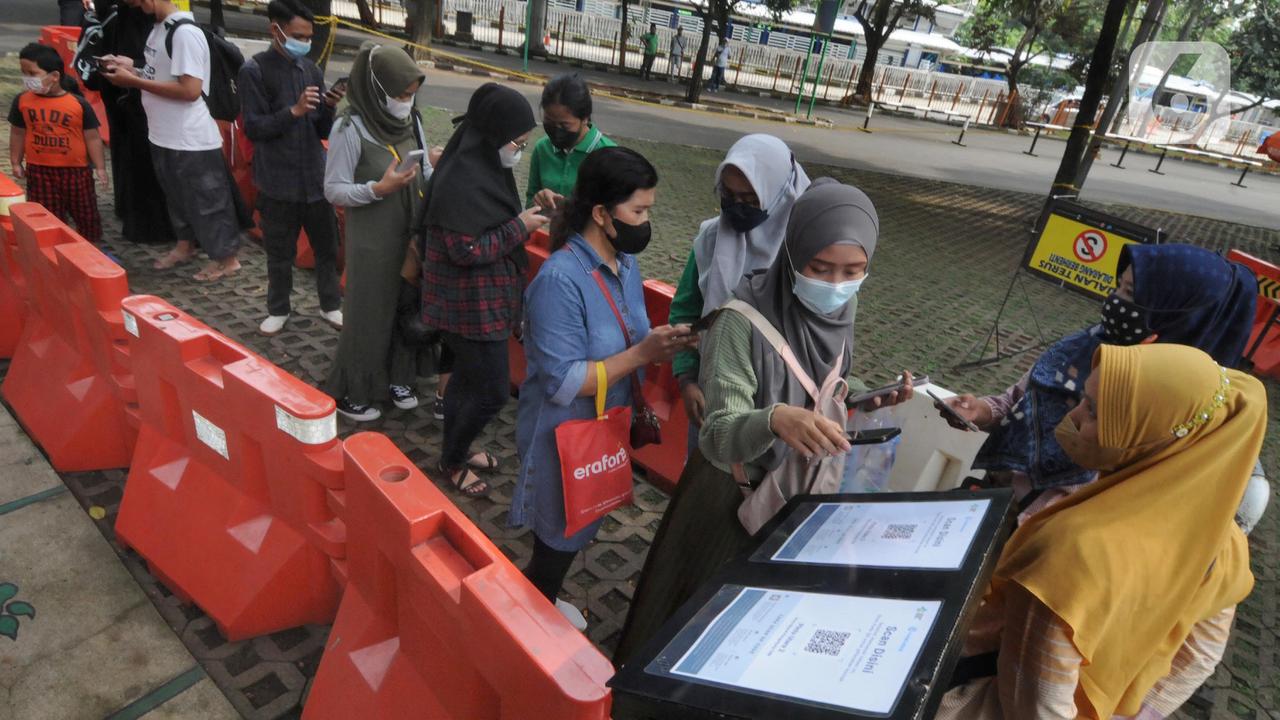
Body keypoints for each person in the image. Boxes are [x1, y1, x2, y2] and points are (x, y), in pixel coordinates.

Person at [615, 179, 913, 664]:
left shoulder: (842, 311)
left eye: (854, 271)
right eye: (820, 268)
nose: (837, 284)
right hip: (728, 500)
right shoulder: (740, 321)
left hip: (793, 496)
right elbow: (716, 436)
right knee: (685, 627)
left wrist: (865, 401)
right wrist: (773, 420)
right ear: (793, 253)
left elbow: (820, 391)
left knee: (748, 633)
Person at [938, 343, 1264, 720]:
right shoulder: (1223, 542)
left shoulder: (1074, 552)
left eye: (1093, 411)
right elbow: (1198, 659)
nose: (1073, 417)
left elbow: (1035, 703)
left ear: (1150, 436)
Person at [941, 244, 1264, 524]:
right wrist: (982, 410)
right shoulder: (1085, 344)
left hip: (1052, 537)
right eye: (1119, 287)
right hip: (997, 500)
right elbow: (1019, 400)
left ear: (1181, 315)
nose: (1114, 303)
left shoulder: (1183, 412)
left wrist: (1040, 526)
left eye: (1130, 295)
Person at [510, 147, 696, 631]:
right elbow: (562, 381)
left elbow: (630, 333)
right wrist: (641, 355)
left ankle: (538, 602)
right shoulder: (560, 280)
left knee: (580, 520)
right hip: (563, 431)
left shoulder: (625, 264)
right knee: (559, 528)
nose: (646, 221)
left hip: (603, 425)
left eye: (649, 210)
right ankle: (529, 618)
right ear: (600, 213)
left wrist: (662, 344)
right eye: (639, 211)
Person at [420, 83, 546, 498]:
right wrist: (519, 228)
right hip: (467, 307)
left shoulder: (485, 169)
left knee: (465, 384)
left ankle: (456, 449)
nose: (519, 150)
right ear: (493, 134)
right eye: (517, 142)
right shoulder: (461, 180)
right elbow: (466, 249)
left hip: (483, 301)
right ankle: (453, 460)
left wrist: (533, 210)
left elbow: (491, 220)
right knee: (492, 392)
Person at [669, 134, 810, 454]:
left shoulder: (805, 247)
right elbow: (686, 312)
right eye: (727, 195)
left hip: (787, 409)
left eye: (749, 199)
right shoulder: (711, 238)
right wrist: (687, 378)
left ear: (779, 193)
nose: (736, 208)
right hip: (716, 399)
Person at [323, 42, 433, 422]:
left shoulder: (411, 119)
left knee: (405, 302)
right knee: (369, 312)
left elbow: (423, 168)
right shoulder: (349, 126)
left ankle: (398, 378)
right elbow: (333, 188)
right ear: (376, 88)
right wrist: (377, 189)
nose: (406, 100)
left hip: (410, 230)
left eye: (411, 93)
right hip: (372, 238)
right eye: (400, 94)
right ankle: (353, 390)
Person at [99, 0, 244, 281]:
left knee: (207, 200)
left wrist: (135, 82)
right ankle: (184, 244)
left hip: (190, 137)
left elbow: (190, 90)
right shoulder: (158, 29)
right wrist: (134, 69)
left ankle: (227, 259)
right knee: (177, 197)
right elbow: (161, 74)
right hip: (163, 133)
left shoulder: (185, 33)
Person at [239, 0, 345, 336]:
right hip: (277, 182)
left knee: (327, 248)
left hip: (315, 179)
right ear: (276, 30)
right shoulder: (254, 71)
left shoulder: (310, 70)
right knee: (279, 252)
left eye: (309, 36)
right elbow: (254, 128)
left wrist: (328, 107)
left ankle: (330, 304)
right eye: (298, 35)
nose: (305, 42)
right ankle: (278, 308)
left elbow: (320, 130)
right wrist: (294, 112)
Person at [88, 0, 177, 246]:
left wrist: (135, 72)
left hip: (140, 97)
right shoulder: (130, 14)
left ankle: (148, 217)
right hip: (125, 92)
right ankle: (139, 214)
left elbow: (181, 83)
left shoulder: (172, 26)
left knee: (145, 155)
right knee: (135, 153)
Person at [8, 43, 107, 245]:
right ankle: (52, 249)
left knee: (85, 213)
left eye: (32, 73)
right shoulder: (22, 101)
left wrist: (100, 167)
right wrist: (16, 161)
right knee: (46, 216)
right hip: (39, 171)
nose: (27, 78)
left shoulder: (78, 104)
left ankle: (90, 248)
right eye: (23, 73)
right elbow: (17, 132)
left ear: (54, 76)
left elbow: (92, 137)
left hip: (76, 172)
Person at [525, 73, 616, 209]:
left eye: (564, 125)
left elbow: (614, 212)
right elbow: (530, 201)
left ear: (585, 118)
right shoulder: (542, 149)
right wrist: (539, 200)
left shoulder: (608, 155)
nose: (556, 129)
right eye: (549, 121)